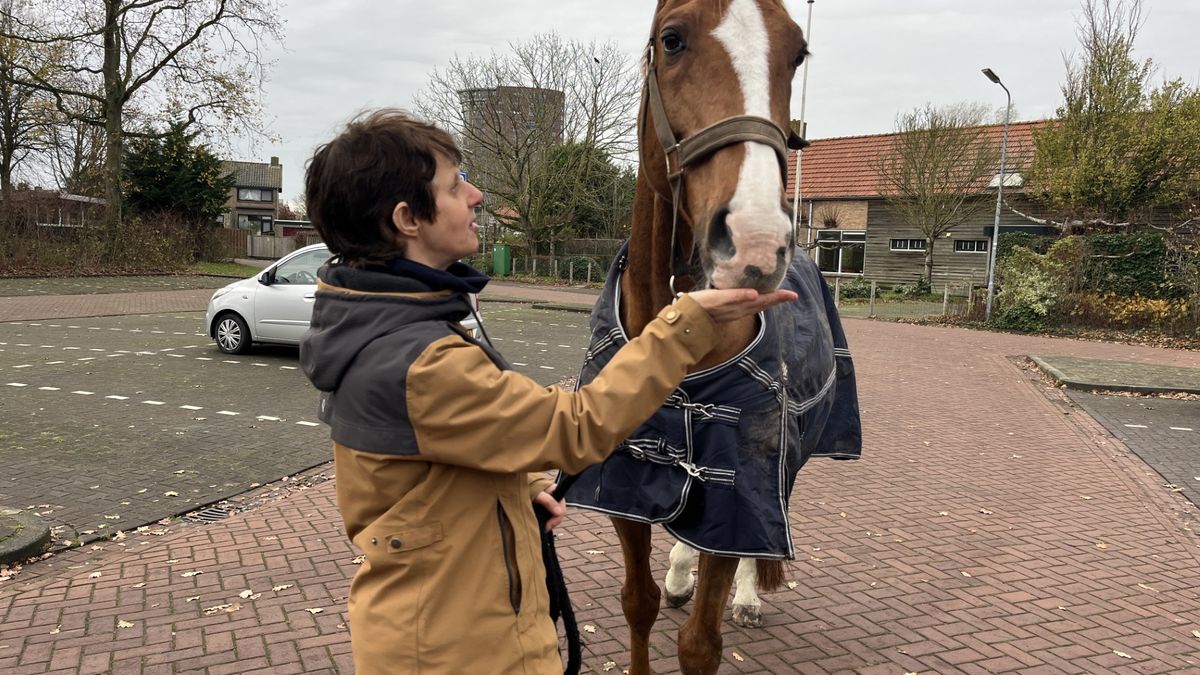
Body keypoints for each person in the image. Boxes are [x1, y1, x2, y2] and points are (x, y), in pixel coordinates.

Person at [299, 108, 796, 675]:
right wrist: (685, 326)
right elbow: (576, 427)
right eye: (455, 183)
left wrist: (512, 493)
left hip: (452, 624)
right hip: (458, 651)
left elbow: (429, 462)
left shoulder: (385, 327)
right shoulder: (420, 361)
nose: (476, 194)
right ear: (408, 218)